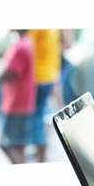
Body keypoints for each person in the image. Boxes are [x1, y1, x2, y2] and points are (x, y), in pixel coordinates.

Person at [0, 30, 36, 164]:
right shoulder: (25, 43)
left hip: (17, 104)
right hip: (24, 102)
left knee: (6, 144)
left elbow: (10, 72)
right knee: (19, 145)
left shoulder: (21, 46)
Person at [29, 29, 61, 162]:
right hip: (51, 73)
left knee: (37, 116)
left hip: (38, 76)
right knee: (45, 113)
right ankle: (41, 150)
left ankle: (41, 154)